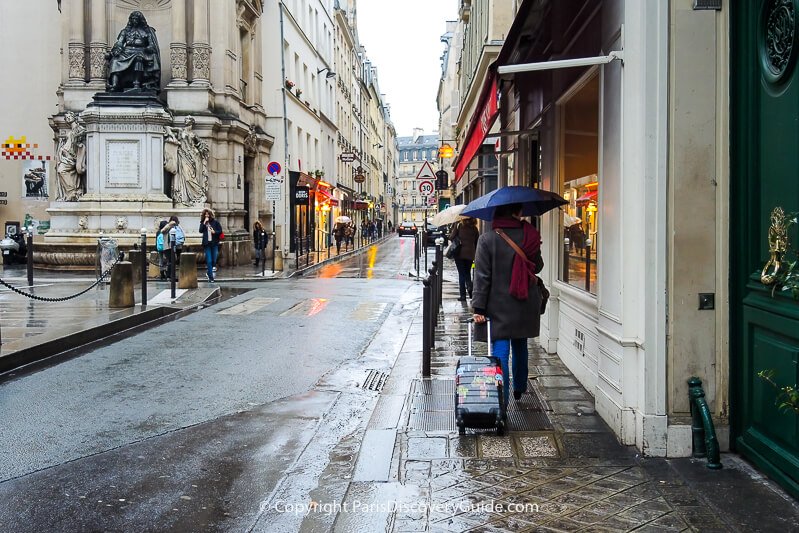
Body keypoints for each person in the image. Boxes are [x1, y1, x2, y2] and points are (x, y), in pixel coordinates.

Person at [471, 203, 543, 409]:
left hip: (499, 304)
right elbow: (538, 266)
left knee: (501, 349)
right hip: (524, 302)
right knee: (520, 345)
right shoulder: (530, 235)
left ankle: (501, 401)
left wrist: (479, 308)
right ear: (516, 212)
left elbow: (482, 277)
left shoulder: (487, 239)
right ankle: (519, 387)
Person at [106, 11, 161, 92]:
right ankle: (115, 84)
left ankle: (136, 84)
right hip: (126, 52)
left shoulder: (147, 31)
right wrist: (117, 50)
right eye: (132, 19)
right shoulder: (125, 31)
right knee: (115, 60)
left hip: (141, 51)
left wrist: (149, 48)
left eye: (136, 19)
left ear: (140, 20)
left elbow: (152, 45)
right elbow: (119, 43)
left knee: (138, 58)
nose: (134, 20)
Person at [164, 116, 209, 206]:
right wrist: (171, 135)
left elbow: (202, 146)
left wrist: (200, 149)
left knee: (191, 176)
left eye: (188, 119)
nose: (186, 120)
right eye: (185, 119)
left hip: (193, 157)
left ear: (192, 122)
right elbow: (167, 127)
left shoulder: (193, 135)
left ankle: (196, 196)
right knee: (186, 177)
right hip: (182, 155)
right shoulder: (181, 131)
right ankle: (186, 197)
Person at [55, 111, 86, 202]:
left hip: (71, 157)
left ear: (74, 117)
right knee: (61, 171)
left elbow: (80, 139)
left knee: (61, 170)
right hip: (65, 156)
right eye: (66, 117)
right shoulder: (72, 131)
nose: (68, 118)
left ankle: (72, 191)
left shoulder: (79, 129)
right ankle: (71, 192)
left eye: (69, 116)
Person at [449, 217, 480, 301]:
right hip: (470, 254)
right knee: (467, 273)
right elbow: (477, 241)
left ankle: (462, 296)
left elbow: (451, 237)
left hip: (459, 254)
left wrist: (453, 229)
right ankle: (470, 288)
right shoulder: (474, 228)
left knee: (461, 274)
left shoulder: (459, 225)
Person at [199, 208, 223, 282]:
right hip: (207, 244)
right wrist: (204, 223)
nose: (207, 216)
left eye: (208, 214)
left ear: (210, 215)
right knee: (209, 261)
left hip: (214, 243)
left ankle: (209, 272)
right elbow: (200, 230)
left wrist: (214, 232)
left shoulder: (215, 222)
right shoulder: (203, 223)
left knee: (214, 260)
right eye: (205, 214)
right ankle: (211, 277)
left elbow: (220, 231)